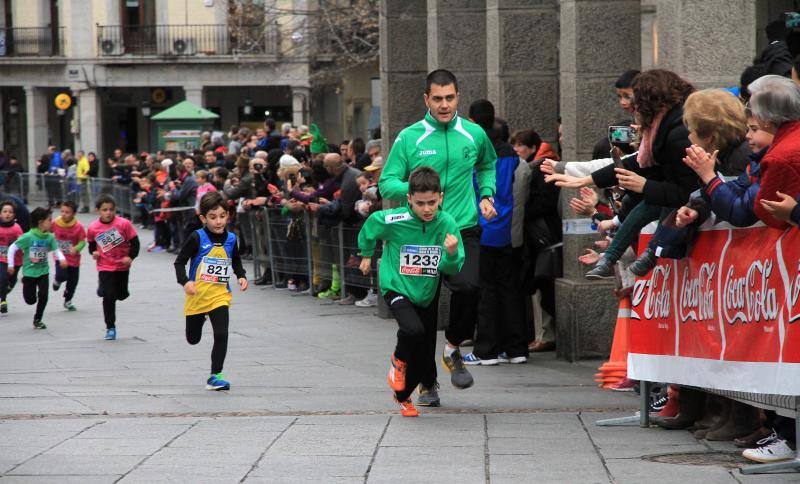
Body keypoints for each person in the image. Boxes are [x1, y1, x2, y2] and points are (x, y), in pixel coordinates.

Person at [380, 69, 497, 407]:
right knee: (424, 316)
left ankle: (453, 347)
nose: (445, 105)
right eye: (438, 99)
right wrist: (422, 192)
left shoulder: (473, 133)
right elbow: (387, 183)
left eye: (450, 98)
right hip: (421, 234)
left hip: (462, 226)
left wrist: (487, 194)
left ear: (458, 97)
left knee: (469, 286)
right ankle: (427, 383)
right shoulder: (409, 137)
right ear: (426, 100)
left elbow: (487, 165)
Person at [358, 167, 464, 416]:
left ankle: (403, 396)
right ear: (409, 199)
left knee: (425, 351)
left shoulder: (447, 222)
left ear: (441, 197)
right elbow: (372, 224)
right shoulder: (396, 219)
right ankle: (397, 362)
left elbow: (454, 265)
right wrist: (365, 254)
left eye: (432, 202)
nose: (427, 209)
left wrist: (450, 253)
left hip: (425, 291)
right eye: (420, 203)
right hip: (396, 286)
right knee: (412, 330)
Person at [462, 102, 531, 366]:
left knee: (486, 292)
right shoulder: (513, 156)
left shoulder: (473, 153)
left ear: (471, 120)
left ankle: (486, 350)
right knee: (510, 290)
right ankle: (515, 348)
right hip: (508, 230)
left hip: (481, 228)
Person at [174, 192, 248, 391]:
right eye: (213, 217)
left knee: (222, 334)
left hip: (219, 295)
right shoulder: (197, 237)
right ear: (203, 218)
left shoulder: (231, 239)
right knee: (193, 339)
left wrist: (241, 275)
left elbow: (235, 260)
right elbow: (179, 262)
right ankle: (200, 318)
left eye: (222, 216)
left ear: (228, 216)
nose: (218, 221)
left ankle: (215, 375)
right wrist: (185, 281)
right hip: (197, 296)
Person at [87, 194, 140, 340]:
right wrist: (94, 252)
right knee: (109, 296)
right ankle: (110, 327)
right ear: (98, 210)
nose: (108, 213)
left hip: (122, 266)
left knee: (121, 295)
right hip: (105, 266)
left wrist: (130, 257)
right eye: (104, 210)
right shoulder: (93, 228)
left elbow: (135, 243)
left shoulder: (124, 224)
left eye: (111, 209)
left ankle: (106, 289)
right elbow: (91, 245)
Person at [7, 207, 67, 329]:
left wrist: (62, 259)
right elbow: (13, 248)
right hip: (29, 273)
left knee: (44, 295)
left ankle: (38, 319)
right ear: (40, 222)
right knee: (30, 300)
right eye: (49, 220)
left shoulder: (50, 237)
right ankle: (28, 291)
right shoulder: (28, 236)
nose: (52, 222)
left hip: (43, 271)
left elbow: (56, 249)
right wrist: (11, 265)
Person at [51, 200, 86, 311]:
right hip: (60, 257)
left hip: (74, 259)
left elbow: (82, 241)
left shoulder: (78, 227)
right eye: (62, 211)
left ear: (74, 213)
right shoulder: (56, 223)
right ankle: (57, 280)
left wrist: (76, 248)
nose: (64, 214)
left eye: (67, 212)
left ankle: (68, 300)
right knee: (62, 275)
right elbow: (47, 230)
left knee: (73, 282)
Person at [0, 200, 23, 314]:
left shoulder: (16, 228)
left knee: (12, 281)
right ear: (0, 213)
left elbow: (22, 242)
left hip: (16, 260)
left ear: (14, 215)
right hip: (2, 258)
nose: (7, 214)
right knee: (3, 278)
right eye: (4, 211)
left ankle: (4, 291)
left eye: (10, 212)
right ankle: (3, 301)